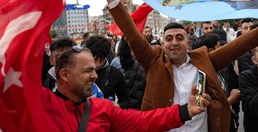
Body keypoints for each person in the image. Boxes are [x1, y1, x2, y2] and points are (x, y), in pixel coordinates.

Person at [98, 0, 258, 131]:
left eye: (180, 38)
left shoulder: (204, 59)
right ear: (162, 43)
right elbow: (132, 34)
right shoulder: (153, 60)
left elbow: (242, 44)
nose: (174, 43)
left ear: (188, 42)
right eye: (169, 39)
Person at [40, 46, 211, 131]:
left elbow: (145, 121)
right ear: (64, 74)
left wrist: (186, 111)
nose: (95, 76)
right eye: (88, 70)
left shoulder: (103, 109)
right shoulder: (40, 105)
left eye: (94, 69)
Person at [84, 35, 129, 108]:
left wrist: (118, 105)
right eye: (94, 59)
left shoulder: (115, 74)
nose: (97, 65)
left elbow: (126, 101)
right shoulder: (81, 72)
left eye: (101, 60)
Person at [111, 36, 146, 110]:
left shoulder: (150, 65)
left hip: (145, 109)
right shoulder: (130, 64)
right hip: (131, 108)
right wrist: (126, 35)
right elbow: (124, 52)